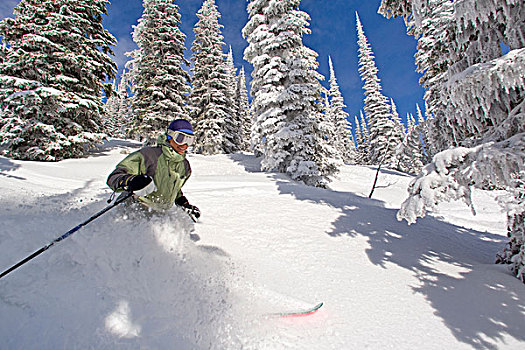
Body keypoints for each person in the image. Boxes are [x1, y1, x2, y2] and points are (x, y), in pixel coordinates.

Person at [107, 119, 200, 218]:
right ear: (170, 136)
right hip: (133, 210)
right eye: (180, 138)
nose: (184, 144)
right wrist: (131, 181)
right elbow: (114, 177)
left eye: (189, 140)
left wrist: (183, 203)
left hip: (158, 215)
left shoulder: (185, 166)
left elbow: (173, 189)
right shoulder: (148, 156)